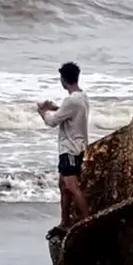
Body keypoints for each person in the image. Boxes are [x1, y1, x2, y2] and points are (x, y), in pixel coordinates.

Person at [37, 61, 91, 238]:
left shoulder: (70, 100)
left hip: (69, 148)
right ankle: (64, 222)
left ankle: (86, 221)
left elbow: (52, 122)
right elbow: (69, 112)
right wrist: (55, 108)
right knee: (63, 184)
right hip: (79, 145)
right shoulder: (82, 97)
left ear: (63, 80)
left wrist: (43, 112)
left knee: (71, 185)